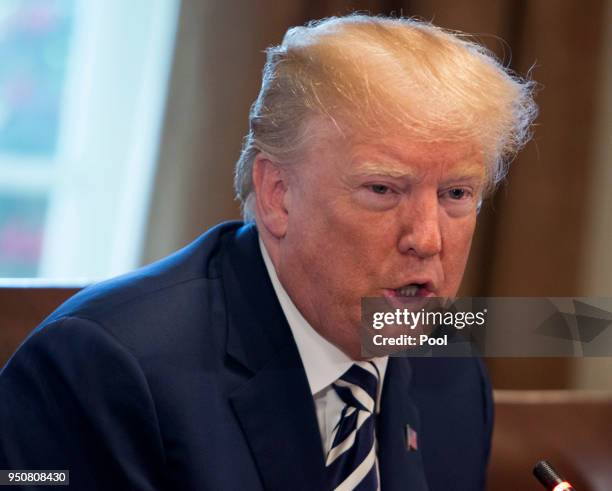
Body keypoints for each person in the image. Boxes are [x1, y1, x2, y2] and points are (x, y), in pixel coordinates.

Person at [0, 15, 536, 491]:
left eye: (456, 195)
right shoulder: (103, 368)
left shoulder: (451, 373)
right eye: (383, 190)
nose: (427, 238)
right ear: (278, 194)